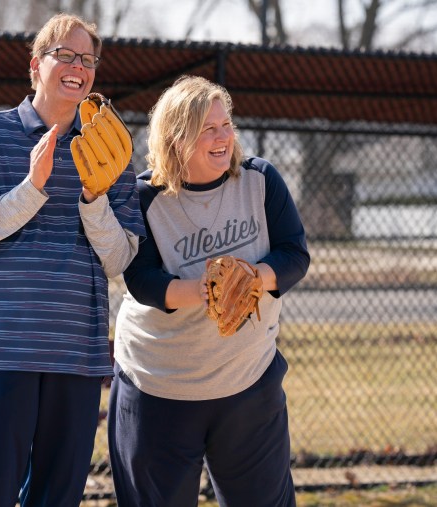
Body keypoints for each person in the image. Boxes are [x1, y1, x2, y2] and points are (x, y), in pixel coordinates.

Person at [0, 13, 145, 507]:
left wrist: (95, 198)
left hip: (74, 354)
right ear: (36, 64)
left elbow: (119, 259)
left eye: (89, 59)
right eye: (65, 55)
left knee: (56, 498)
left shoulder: (110, 150)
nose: (79, 66)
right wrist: (31, 189)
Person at [107, 75, 310, 507]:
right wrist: (204, 291)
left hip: (247, 382)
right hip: (160, 386)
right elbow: (140, 280)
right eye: (207, 129)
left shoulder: (259, 180)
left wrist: (254, 278)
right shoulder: (145, 196)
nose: (222, 137)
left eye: (226, 125)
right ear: (177, 138)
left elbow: (294, 254)